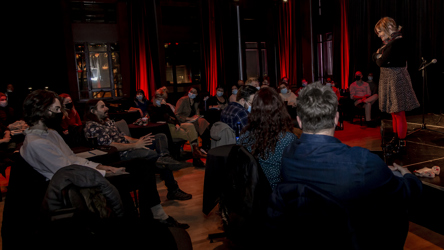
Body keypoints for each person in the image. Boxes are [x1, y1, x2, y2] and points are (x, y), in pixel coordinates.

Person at [279, 82, 422, 249]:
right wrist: (408, 176)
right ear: (336, 118)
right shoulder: (362, 161)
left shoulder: (288, 154)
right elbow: (406, 194)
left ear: (299, 122)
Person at [20, 90, 189, 228]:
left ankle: (153, 215)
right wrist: (104, 171)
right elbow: (69, 172)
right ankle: (148, 219)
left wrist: (102, 166)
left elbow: (72, 159)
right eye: (57, 110)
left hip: (81, 174)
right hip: (76, 187)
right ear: (42, 112)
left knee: (142, 165)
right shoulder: (36, 143)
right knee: (139, 170)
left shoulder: (50, 133)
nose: (61, 113)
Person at [83, 99, 192, 201]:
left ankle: (164, 157)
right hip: (121, 155)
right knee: (153, 154)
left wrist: (139, 141)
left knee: (160, 137)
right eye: (102, 107)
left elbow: (123, 137)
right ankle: (172, 188)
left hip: (130, 147)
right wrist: (135, 145)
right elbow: (111, 146)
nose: (106, 108)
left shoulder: (107, 121)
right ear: (93, 111)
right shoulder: (92, 126)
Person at [373, 17, 420, 152]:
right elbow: (376, 58)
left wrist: (378, 56)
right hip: (390, 79)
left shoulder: (397, 42)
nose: (380, 36)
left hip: (396, 79)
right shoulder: (390, 43)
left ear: (388, 28)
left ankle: (401, 142)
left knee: (399, 112)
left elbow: (380, 61)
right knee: (394, 112)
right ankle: (396, 138)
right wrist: (378, 56)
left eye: (380, 32)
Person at [238, 87, 297, 190]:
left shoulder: (244, 136)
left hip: (252, 193)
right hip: (277, 195)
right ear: (280, 110)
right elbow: (294, 174)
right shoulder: (288, 139)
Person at [150, 93, 206, 167]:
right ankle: (196, 157)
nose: (160, 101)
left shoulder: (167, 107)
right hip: (165, 127)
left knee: (190, 126)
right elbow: (156, 117)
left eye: (162, 99)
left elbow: (175, 117)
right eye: (159, 99)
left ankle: (196, 154)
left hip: (174, 125)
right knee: (190, 134)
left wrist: (177, 124)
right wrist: (163, 106)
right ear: (155, 100)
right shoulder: (152, 107)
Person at [175, 87, 211, 152]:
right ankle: (206, 146)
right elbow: (177, 115)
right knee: (202, 123)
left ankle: (205, 146)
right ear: (188, 91)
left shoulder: (196, 102)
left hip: (193, 120)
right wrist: (189, 118)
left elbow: (197, 113)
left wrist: (197, 116)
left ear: (197, 94)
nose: (192, 93)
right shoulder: (183, 100)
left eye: (194, 92)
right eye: (191, 91)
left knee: (203, 121)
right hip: (183, 121)